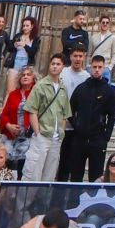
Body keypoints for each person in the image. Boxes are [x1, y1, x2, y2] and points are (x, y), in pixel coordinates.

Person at [60, 52, 115, 182]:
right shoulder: (81, 88)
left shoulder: (109, 91)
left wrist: (106, 136)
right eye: (94, 67)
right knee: (75, 175)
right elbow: (69, 110)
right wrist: (77, 126)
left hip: (98, 139)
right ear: (90, 67)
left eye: (99, 67)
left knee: (96, 177)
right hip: (79, 139)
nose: (97, 70)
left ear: (103, 68)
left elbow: (112, 114)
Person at [23, 53, 70, 184]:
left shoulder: (62, 88)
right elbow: (32, 110)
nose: (55, 67)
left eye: (58, 64)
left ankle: (43, 203)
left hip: (56, 138)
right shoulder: (40, 85)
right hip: (42, 135)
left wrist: (62, 132)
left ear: (62, 67)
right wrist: (37, 132)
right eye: (53, 64)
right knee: (33, 173)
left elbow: (65, 114)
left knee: (49, 175)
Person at [0, 66, 38, 170]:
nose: (25, 77)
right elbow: (4, 114)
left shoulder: (37, 94)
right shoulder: (13, 94)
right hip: (11, 136)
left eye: (28, 75)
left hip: (28, 137)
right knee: (8, 165)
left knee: (23, 166)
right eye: (23, 75)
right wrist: (9, 126)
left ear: (33, 78)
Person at [6, 15, 40, 95]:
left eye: (27, 26)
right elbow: (9, 48)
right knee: (10, 92)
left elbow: (33, 52)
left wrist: (25, 45)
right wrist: (14, 45)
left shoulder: (35, 39)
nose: (25, 27)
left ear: (32, 26)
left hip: (27, 67)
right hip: (15, 65)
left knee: (26, 92)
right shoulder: (18, 36)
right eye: (24, 25)